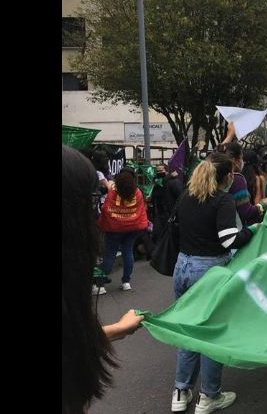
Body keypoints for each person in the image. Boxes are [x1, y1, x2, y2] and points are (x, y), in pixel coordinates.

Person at [62, 145, 144, 414]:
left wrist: (117, 330)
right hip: (133, 230)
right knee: (128, 254)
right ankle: (126, 279)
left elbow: (71, 341)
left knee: (113, 257)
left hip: (118, 231)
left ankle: (104, 280)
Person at [171, 153, 255, 413]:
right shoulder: (222, 200)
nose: (234, 176)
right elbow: (230, 239)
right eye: (231, 172)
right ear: (226, 176)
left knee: (189, 331)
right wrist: (251, 231)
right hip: (207, 271)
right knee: (211, 334)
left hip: (182, 267)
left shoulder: (187, 197)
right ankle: (209, 396)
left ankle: (181, 392)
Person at [96, 168, 149, 291]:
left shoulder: (113, 191)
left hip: (114, 228)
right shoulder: (138, 192)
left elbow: (106, 209)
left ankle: (100, 285)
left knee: (109, 254)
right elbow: (141, 210)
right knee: (128, 252)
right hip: (133, 228)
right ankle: (126, 282)